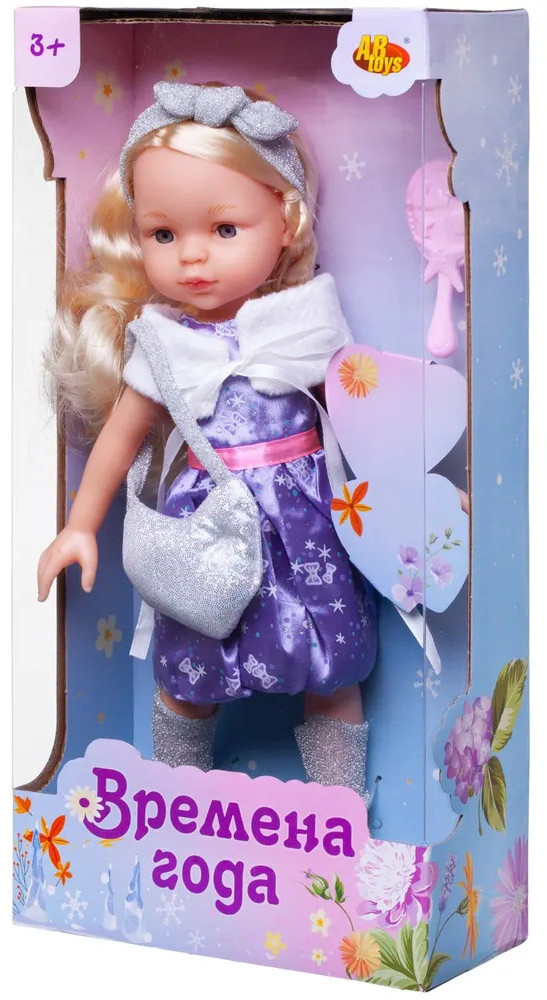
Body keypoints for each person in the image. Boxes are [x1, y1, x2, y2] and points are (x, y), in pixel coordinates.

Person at [37, 82, 377, 799]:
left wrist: (421, 496)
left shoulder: (305, 323)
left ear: (285, 220)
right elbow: (120, 440)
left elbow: (360, 419)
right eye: (163, 235)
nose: (192, 257)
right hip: (207, 529)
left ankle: (340, 812)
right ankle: (175, 801)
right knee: (190, 674)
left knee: (331, 670)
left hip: (308, 524)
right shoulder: (164, 344)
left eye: (224, 229)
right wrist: (79, 526)